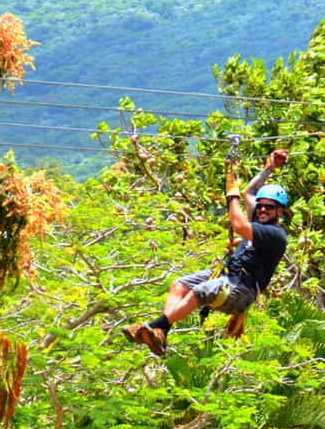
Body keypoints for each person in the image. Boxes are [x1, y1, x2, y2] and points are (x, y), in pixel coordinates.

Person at [123, 149, 289, 356]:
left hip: (242, 289)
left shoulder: (275, 234)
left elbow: (238, 223)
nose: (263, 210)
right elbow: (250, 193)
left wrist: (231, 196)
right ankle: (161, 333)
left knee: (200, 291)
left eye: (269, 208)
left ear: (279, 211)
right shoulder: (258, 220)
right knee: (180, 284)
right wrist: (269, 168)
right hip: (228, 277)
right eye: (261, 206)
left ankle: (155, 326)